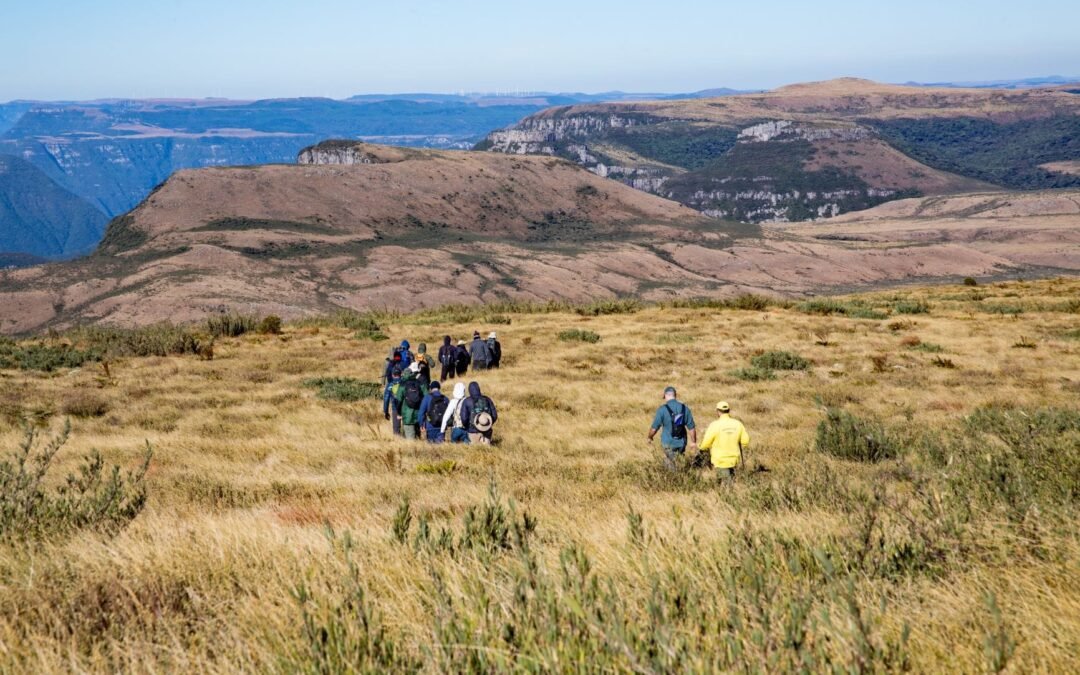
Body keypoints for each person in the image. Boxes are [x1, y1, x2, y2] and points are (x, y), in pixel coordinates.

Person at [647, 386, 697, 471]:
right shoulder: (685, 408)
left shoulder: (662, 410)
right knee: (678, 460)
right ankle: (680, 475)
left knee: (670, 462)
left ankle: (672, 479)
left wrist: (650, 437)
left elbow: (654, 428)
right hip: (681, 443)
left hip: (668, 443)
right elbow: (691, 428)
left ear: (665, 396)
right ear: (675, 395)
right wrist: (693, 442)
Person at [698, 401, 750, 482]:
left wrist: (701, 448)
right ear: (728, 410)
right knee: (731, 480)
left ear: (718, 411)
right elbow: (745, 441)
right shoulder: (738, 424)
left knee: (726, 484)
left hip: (720, 460)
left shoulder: (714, 425)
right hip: (734, 459)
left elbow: (705, 444)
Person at [394, 362, 429, 440]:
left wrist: (399, 413)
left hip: (407, 416)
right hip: (418, 415)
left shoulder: (402, 385)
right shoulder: (420, 383)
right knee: (418, 437)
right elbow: (426, 396)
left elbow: (398, 401)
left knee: (410, 440)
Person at [382, 366, 404, 436]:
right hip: (405, 408)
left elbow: (386, 398)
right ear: (401, 374)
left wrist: (386, 411)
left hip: (395, 408)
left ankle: (398, 442)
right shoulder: (405, 383)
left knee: (396, 430)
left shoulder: (390, 384)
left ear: (392, 375)